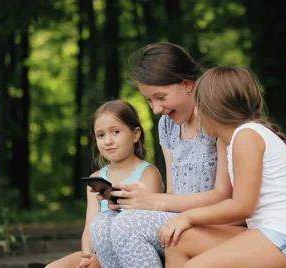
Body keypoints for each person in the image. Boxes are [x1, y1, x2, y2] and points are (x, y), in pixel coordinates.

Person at [160, 66, 286, 268]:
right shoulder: (238, 139)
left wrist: (188, 217)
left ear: (212, 109)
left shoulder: (246, 136)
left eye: (198, 106)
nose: (197, 113)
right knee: (177, 242)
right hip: (269, 233)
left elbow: (242, 206)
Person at [89, 42, 234, 268]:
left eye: (161, 97)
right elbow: (173, 194)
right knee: (102, 223)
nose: (155, 109)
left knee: (126, 225)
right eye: (149, 100)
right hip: (179, 220)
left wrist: (154, 201)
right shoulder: (167, 125)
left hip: (215, 225)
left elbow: (225, 196)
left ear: (187, 84)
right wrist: (135, 201)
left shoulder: (217, 119)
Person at [46, 99, 163, 268]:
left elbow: (148, 222)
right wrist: (88, 256)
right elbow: (89, 228)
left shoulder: (148, 173)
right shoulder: (96, 178)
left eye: (115, 132)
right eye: (101, 135)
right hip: (100, 254)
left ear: (136, 134)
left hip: (133, 253)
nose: (108, 141)